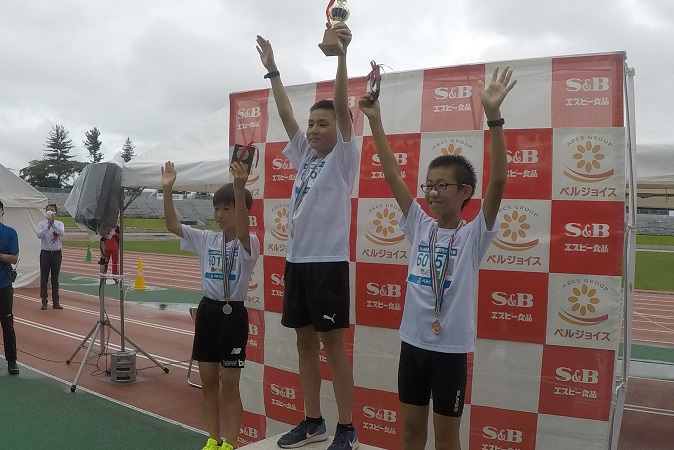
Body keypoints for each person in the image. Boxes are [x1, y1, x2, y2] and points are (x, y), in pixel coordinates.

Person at [358, 67, 516, 450]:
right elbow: (393, 173)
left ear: (464, 192)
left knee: (447, 440)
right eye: (429, 185)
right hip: (412, 346)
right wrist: (375, 120)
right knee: (411, 433)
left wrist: (493, 117)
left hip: (450, 353)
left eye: (441, 186)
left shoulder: (474, 233)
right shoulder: (420, 225)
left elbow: (498, 181)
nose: (431, 193)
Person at [256, 24, 360, 450]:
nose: (314, 130)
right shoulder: (305, 155)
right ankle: (313, 420)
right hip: (297, 263)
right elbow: (285, 116)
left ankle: (348, 429)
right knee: (303, 341)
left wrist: (341, 59)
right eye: (312, 124)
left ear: (339, 127)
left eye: (323, 123)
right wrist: (274, 71)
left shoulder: (344, 157)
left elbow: (341, 104)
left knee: (334, 348)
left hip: (328, 263)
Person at [162, 160, 260, 450]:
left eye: (226, 209)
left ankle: (230, 442)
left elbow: (242, 232)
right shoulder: (206, 239)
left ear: (241, 210)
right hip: (208, 311)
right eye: (216, 208)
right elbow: (171, 225)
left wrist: (240, 189)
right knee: (207, 383)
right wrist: (168, 190)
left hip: (233, 314)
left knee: (229, 384)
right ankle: (212, 440)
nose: (219, 214)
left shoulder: (250, 242)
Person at [0, 200, 20, 375]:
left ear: (2, 212)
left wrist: (0, 256)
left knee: (7, 322)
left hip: (4, 284)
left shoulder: (10, 232)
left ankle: (12, 360)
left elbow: (14, 258)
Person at [36, 203, 64, 310]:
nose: (50, 211)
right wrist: (48, 226)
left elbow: (61, 233)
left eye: (52, 209)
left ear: (55, 212)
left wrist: (53, 225)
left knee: (55, 279)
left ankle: (56, 301)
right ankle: (44, 301)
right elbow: (39, 235)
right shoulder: (41, 224)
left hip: (56, 253)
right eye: (48, 209)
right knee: (44, 278)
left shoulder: (60, 223)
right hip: (45, 253)